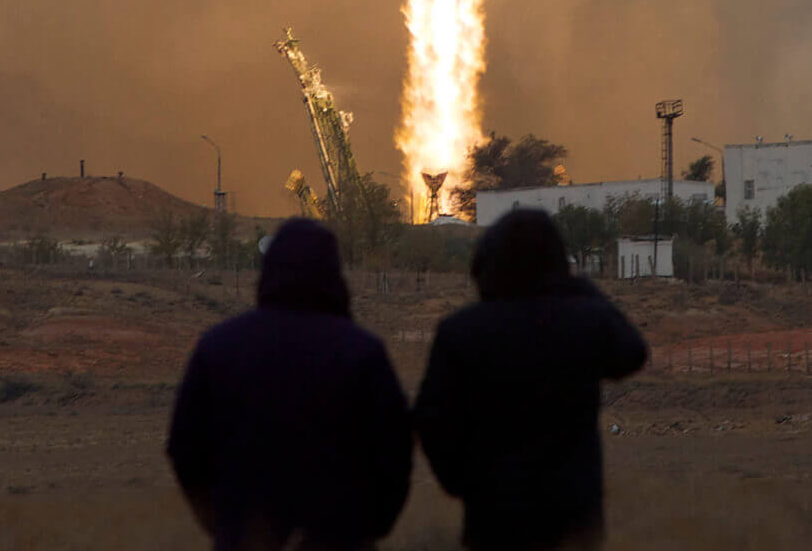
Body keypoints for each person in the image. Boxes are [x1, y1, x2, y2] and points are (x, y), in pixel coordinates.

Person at [167, 218, 412, 551]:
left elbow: (185, 446)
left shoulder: (218, 346)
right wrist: (371, 525)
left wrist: (219, 521)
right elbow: (395, 450)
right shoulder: (362, 352)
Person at [414, 208, 648, 551]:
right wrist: (580, 287)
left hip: (493, 513)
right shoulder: (583, 322)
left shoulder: (462, 331)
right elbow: (632, 354)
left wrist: (460, 483)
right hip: (572, 513)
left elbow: (431, 421)